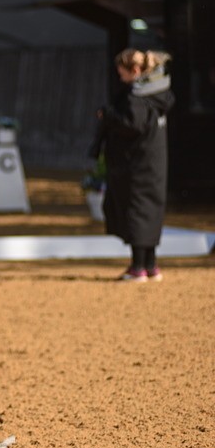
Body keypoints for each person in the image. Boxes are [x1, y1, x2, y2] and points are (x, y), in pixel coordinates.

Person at [97, 48, 175, 282]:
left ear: (135, 71)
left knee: (136, 212)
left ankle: (137, 267)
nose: (120, 78)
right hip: (156, 161)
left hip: (137, 163)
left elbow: (132, 126)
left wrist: (108, 116)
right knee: (150, 211)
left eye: (122, 74)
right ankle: (151, 266)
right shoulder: (160, 93)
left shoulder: (137, 98)